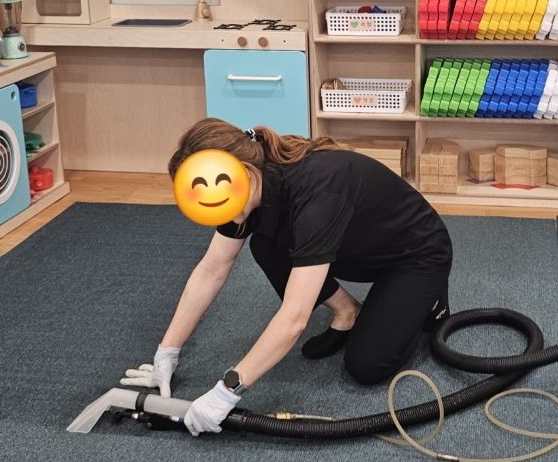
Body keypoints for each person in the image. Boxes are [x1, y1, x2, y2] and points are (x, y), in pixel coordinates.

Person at [122, 118, 453, 437]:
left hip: (415, 254)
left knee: (366, 365)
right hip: (354, 246)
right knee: (266, 246)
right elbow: (212, 269)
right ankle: (347, 312)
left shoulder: (317, 191)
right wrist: (167, 352)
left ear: (245, 172)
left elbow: (294, 319)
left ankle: (430, 302)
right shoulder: (240, 189)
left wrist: (227, 391)